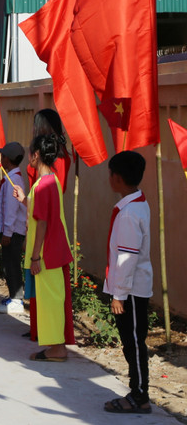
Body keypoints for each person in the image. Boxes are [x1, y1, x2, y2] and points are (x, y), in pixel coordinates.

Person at [12, 134, 74, 361]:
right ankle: (57, 346)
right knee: (54, 298)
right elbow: (41, 211)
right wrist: (24, 200)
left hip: (47, 253)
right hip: (54, 250)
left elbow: (43, 222)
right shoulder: (51, 180)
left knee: (51, 300)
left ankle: (57, 348)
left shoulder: (42, 185)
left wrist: (36, 256)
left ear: (36, 155)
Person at [103, 151, 152, 414]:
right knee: (131, 341)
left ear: (118, 178)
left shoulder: (129, 213)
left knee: (133, 343)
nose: (109, 178)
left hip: (131, 290)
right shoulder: (136, 204)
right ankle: (137, 391)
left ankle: (140, 396)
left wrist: (119, 294)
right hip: (132, 287)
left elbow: (127, 257)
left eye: (110, 174)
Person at [0, 141, 27, 314]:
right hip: (11, 230)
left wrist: (7, 233)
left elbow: (11, 210)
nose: (0, 158)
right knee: (8, 264)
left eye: (2, 156)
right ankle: (14, 296)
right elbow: (3, 203)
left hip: (12, 232)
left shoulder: (14, 180)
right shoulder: (11, 178)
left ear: (7, 159)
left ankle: (16, 299)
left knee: (12, 265)